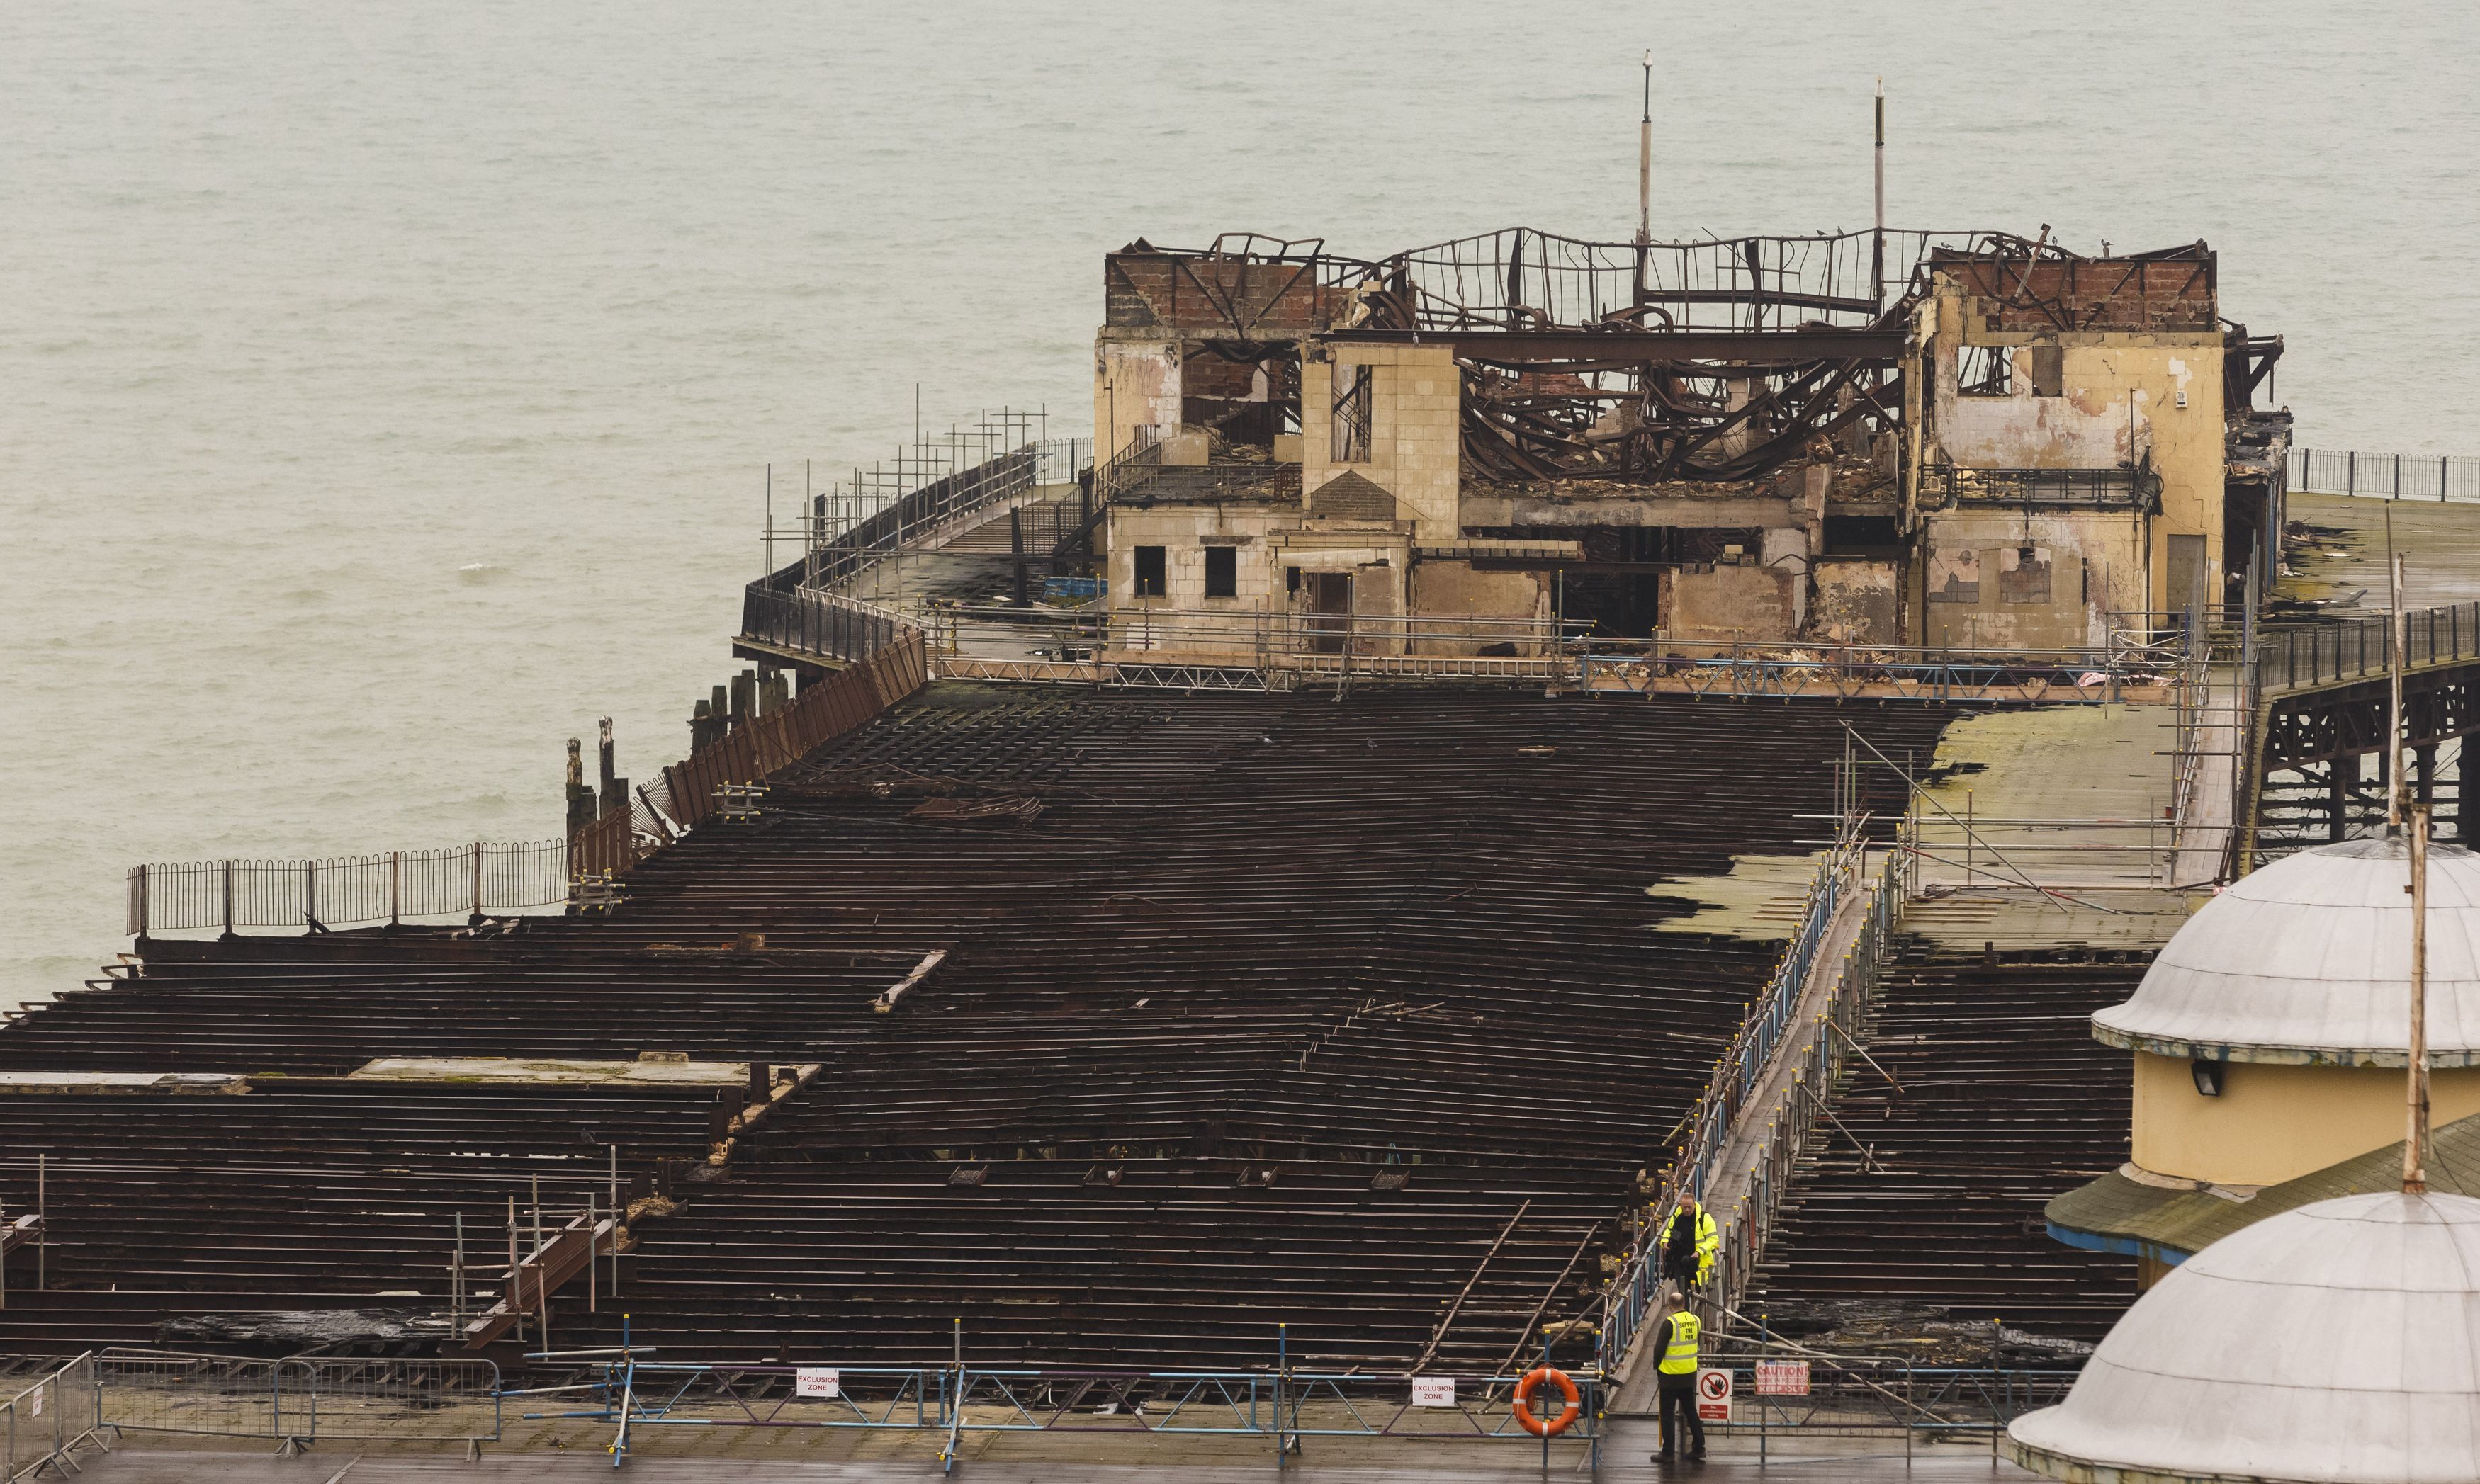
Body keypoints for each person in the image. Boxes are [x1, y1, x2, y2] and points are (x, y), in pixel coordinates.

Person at [1652, 1288, 1706, 1463]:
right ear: (1684, 1304)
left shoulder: (1670, 1322)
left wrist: (1656, 1367)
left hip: (1670, 1375)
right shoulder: (1695, 1320)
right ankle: (1699, 1448)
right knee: (1690, 1410)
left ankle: (1668, 1453)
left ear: (1669, 1306)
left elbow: (1659, 1348)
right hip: (1689, 1374)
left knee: (1667, 1413)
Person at [1664, 1198, 1719, 1290]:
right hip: (1680, 1262)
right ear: (1681, 1207)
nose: (1687, 1210)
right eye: (1684, 1208)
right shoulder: (1678, 1217)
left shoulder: (1704, 1218)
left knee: (1698, 1292)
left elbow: (1713, 1239)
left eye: (1690, 1207)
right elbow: (1669, 1230)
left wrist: (1699, 1252)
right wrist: (1665, 1241)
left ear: (1695, 1205)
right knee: (1683, 1292)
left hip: (1697, 1263)